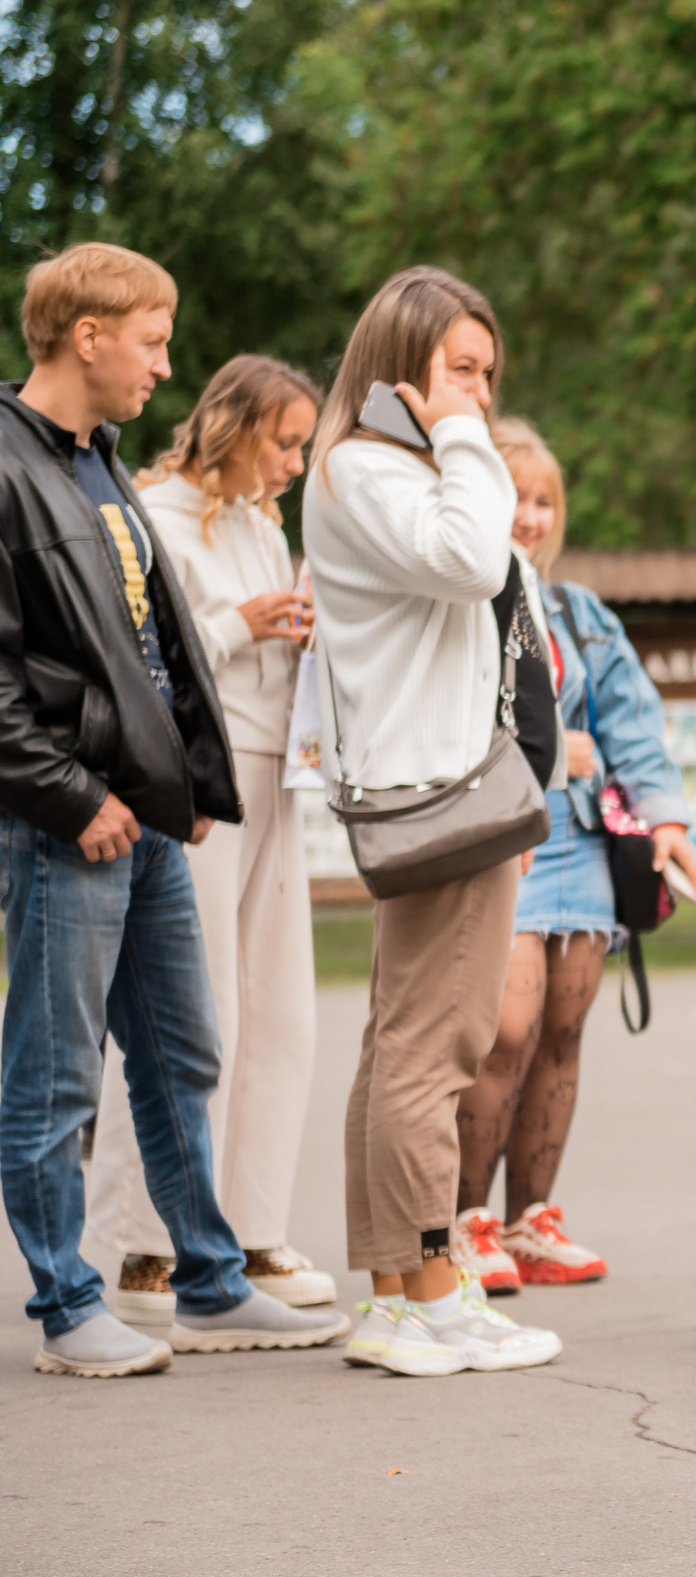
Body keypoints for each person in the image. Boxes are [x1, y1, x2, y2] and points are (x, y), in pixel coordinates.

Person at [0, 243, 346, 1375]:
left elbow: (153, 651)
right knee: (53, 1071)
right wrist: (70, 794)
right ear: (86, 335)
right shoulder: (7, 463)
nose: (164, 365)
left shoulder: (97, 466)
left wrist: (188, 783)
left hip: (145, 816)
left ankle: (207, 1279)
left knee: (182, 1051)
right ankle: (66, 1304)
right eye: (151, 339)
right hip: (70, 820)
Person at [307, 267, 568, 1375]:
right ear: (401, 363)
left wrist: (456, 440)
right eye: (459, 368)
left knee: (407, 1038)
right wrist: (466, 436)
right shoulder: (369, 467)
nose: (477, 392)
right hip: (438, 789)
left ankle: (414, 1287)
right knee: (432, 1046)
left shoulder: (388, 471)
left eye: (487, 374)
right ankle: (413, 1293)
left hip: (451, 779)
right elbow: (471, 561)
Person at [83, 355, 338, 1324]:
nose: (292, 464)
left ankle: (251, 1228)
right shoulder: (150, 508)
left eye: (301, 445)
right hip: (190, 786)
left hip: (276, 773)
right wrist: (242, 621)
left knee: (280, 1013)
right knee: (191, 1015)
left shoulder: (259, 525)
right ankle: (145, 1249)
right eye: (283, 442)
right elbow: (139, 652)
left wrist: (300, 630)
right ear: (230, 425)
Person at [451, 419, 696, 1293]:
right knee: (503, 1030)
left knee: (562, 1025)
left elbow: (632, 719)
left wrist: (666, 822)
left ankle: (530, 1222)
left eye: (543, 499)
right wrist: (555, 753)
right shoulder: (454, 601)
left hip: (585, 840)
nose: (529, 515)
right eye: (512, 496)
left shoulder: (579, 610)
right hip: (499, 838)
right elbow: (446, 719)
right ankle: (464, 1221)